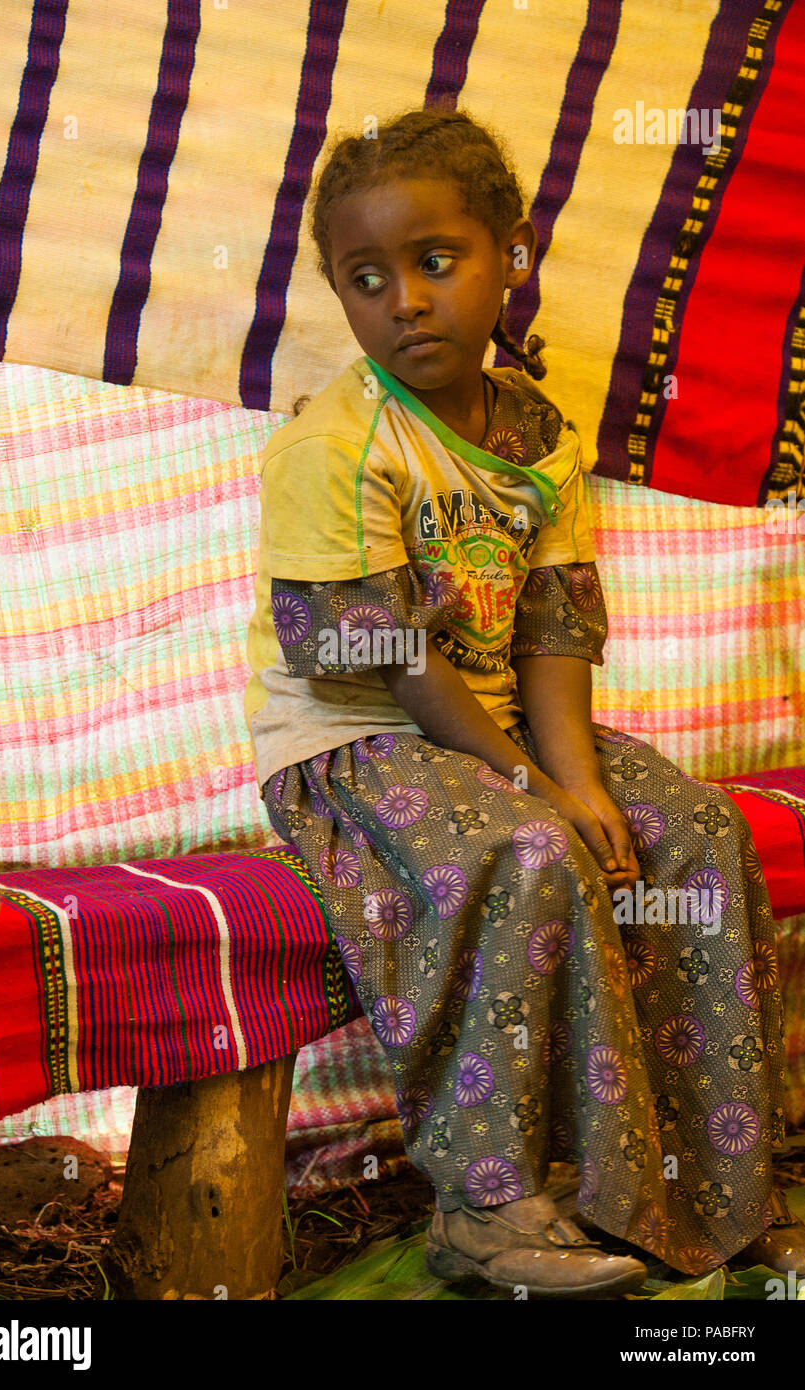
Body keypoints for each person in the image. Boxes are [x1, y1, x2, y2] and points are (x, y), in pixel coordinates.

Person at [244, 107, 802, 1296]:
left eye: (435, 262)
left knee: (691, 830)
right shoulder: (338, 446)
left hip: (492, 725)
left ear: (513, 253)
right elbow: (381, 653)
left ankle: (709, 1196)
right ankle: (489, 1206)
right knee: (529, 847)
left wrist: (581, 773)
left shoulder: (538, 439)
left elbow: (551, 628)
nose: (404, 299)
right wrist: (530, 783)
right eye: (366, 278)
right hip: (357, 742)